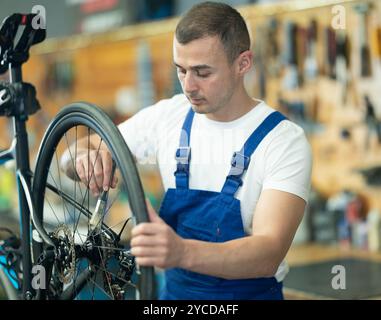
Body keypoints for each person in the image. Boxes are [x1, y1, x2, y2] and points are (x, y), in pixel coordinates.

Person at [62, 2, 312, 300]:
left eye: (202, 72)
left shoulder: (283, 140)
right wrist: (82, 157)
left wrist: (181, 252)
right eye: (180, 70)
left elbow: (269, 252)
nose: (188, 86)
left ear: (243, 63)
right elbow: (76, 151)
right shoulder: (170, 116)